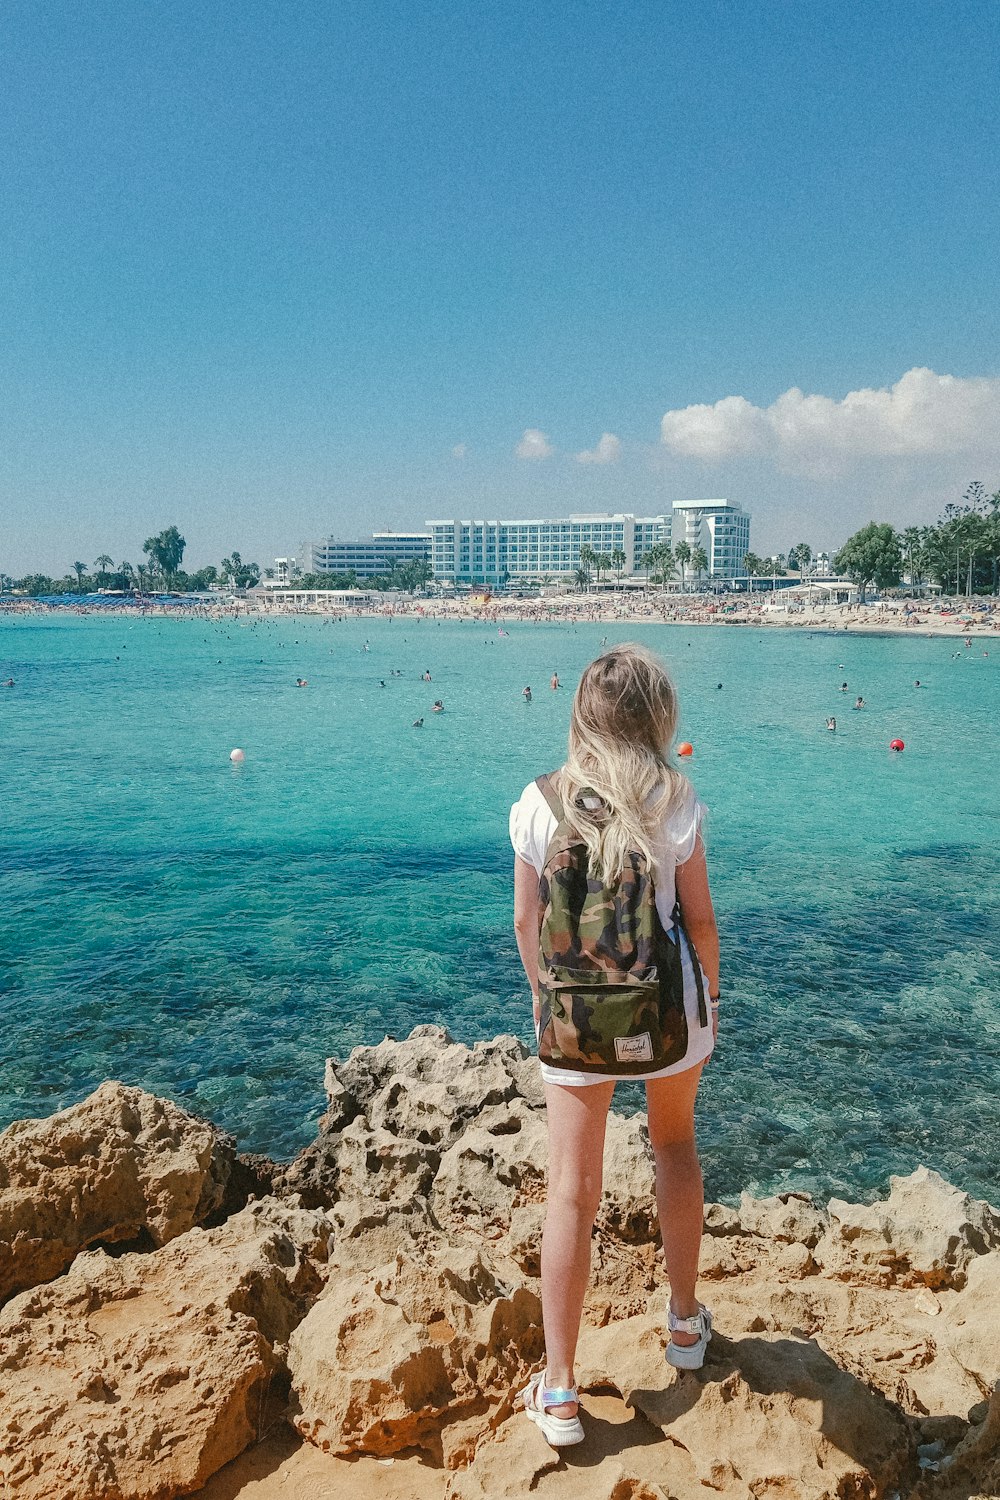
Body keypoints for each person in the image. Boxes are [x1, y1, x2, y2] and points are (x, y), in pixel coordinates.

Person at [509, 644, 720, 1448]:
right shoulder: (676, 797)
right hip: (668, 1016)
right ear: (657, 714)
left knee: (571, 1189)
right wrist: (712, 1003)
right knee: (674, 1147)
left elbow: (527, 923)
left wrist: (547, 994)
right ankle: (683, 1326)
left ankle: (560, 1389)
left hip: (571, 1021)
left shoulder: (536, 802)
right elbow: (698, 920)